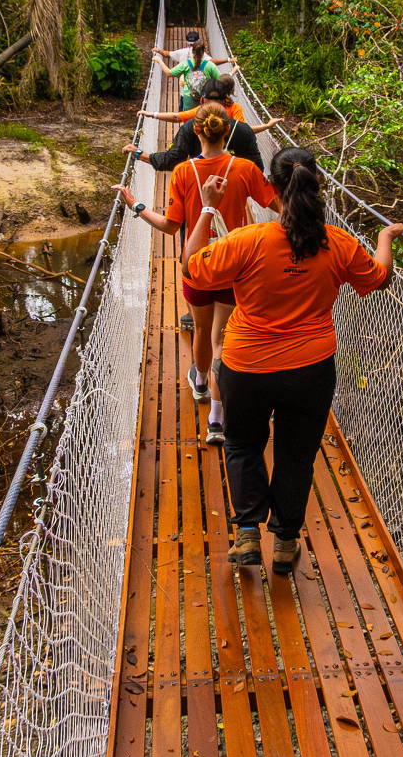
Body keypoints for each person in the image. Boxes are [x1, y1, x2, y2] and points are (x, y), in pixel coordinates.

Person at [181, 148, 403, 575]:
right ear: (317, 186)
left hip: (247, 367)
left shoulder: (246, 241)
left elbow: (193, 272)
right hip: (310, 371)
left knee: (242, 444)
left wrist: (206, 210)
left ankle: (248, 533)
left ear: (270, 187)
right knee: (296, 455)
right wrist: (384, 238)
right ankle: (286, 543)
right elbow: (379, 278)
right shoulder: (337, 244)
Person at [114, 102, 279, 447]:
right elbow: (279, 206)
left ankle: (200, 381)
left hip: (198, 267)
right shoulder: (246, 169)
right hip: (237, 268)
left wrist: (137, 206)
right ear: (226, 130)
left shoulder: (184, 173)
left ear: (196, 131)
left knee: (202, 331)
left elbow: (171, 226)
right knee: (223, 339)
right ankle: (217, 419)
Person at [127, 75, 282, 173]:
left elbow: (171, 159)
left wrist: (138, 153)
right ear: (225, 100)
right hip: (232, 205)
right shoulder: (242, 130)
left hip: (198, 191)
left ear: (201, 100)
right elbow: (257, 168)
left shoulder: (190, 128)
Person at [153, 31, 241, 111]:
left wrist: (158, 58)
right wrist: (232, 69)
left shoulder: (185, 62)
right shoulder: (209, 64)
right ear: (203, 51)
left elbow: (168, 71)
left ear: (191, 48)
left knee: (185, 119)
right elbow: (222, 81)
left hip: (187, 97)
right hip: (205, 99)